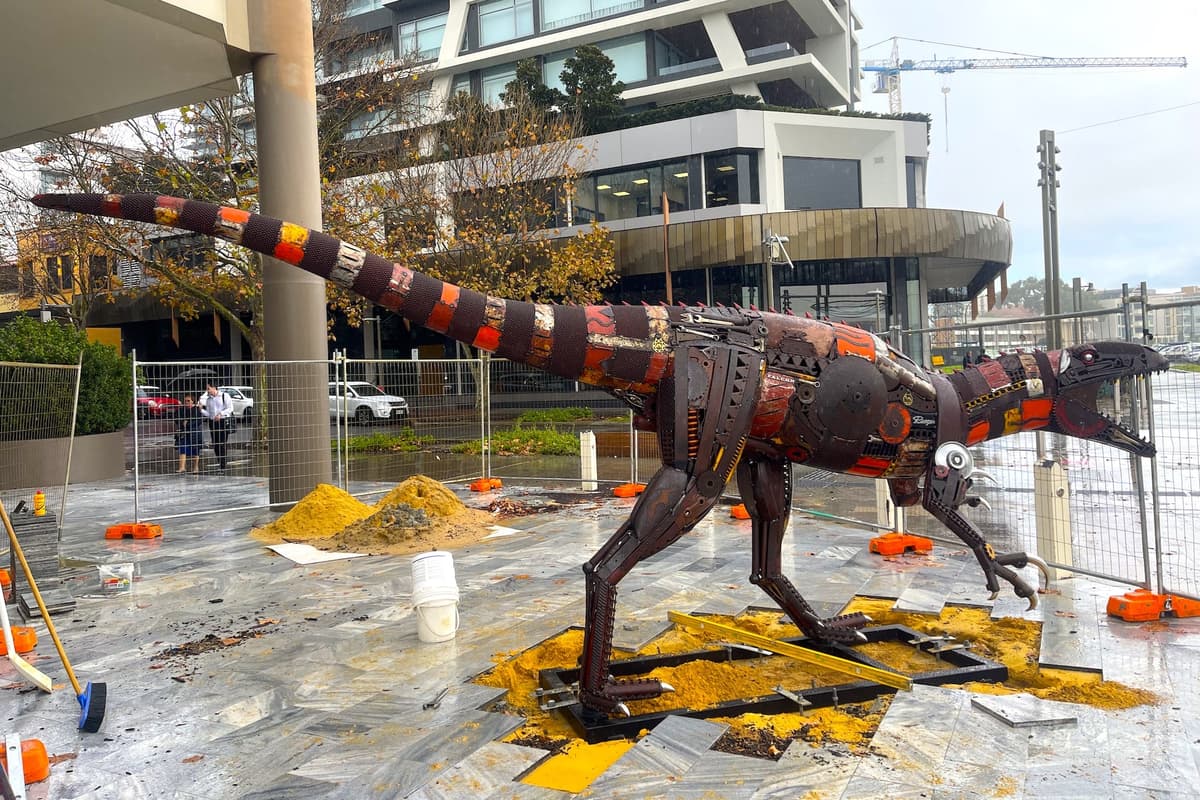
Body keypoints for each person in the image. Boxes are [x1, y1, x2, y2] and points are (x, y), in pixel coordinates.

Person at [200, 382, 233, 471]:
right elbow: (209, 414)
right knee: (215, 444)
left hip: (222, 421)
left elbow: (230, 408)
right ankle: (221, 461)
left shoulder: (224, 396)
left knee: (222, 443)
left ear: (214, 387)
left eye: (208, 388)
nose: (207, 391)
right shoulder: (208, 400)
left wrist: (220, 414)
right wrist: (201, 410)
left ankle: (222, 465)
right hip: (213, 422)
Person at [174, 395, 205, 474]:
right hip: (183, 432)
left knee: (195, 450)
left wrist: (188, 423)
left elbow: (198, 421)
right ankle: (182, 467)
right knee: (182, 448)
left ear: (193, 401)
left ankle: (195, 467)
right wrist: (182, 422)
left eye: (188, 401)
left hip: (194, 432)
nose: (186, 402)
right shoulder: (181, 409)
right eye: (185, 401)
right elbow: (176, 418)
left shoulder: (196, 410)